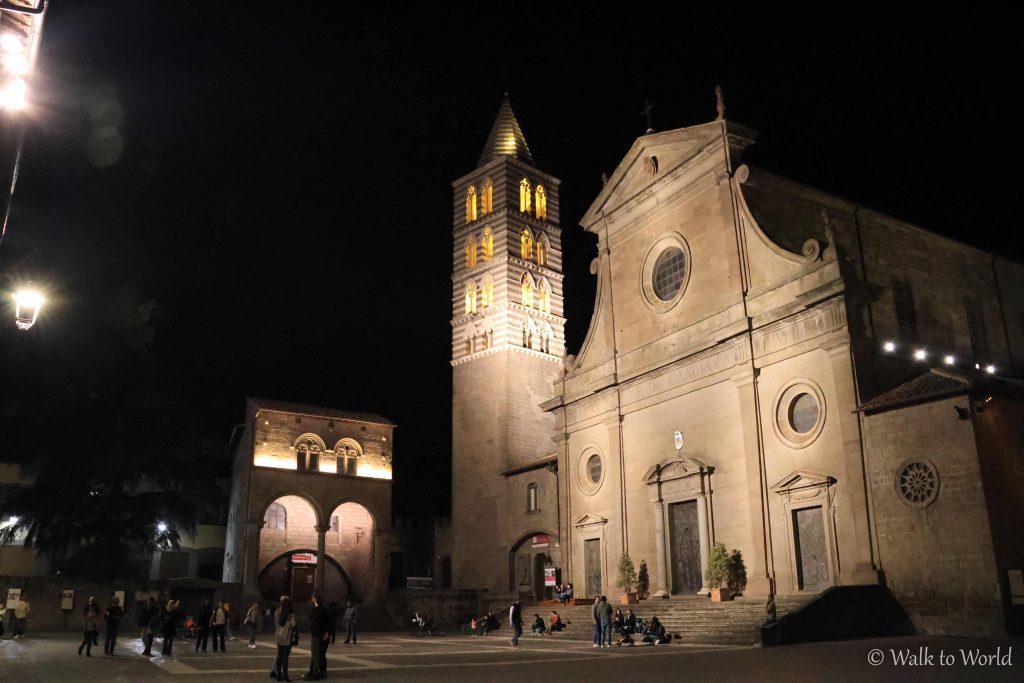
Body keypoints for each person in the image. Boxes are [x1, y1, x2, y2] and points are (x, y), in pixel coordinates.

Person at [303, 594, 330, 680]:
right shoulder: (325, 610)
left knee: (316, 655)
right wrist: (327, 632)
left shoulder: (316, 611)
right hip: (323, 635)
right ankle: (322, 672)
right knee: (321, 654)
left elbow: (314, 622)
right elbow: (328, 621)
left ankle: (316, 673)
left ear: (315, 600)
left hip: (317, 635)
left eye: (313, 599)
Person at [271, 596, 295, 682]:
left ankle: (278, 675)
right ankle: (285, 676)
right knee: (285, 658)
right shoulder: (291, 614)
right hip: (287, 637)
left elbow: (276, 623)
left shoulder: (277, 612)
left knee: (279, 656)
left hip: (278, 636)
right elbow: (294, 626)